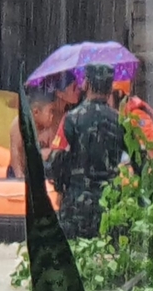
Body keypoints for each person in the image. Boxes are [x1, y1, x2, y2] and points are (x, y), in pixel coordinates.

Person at [46, 64, 127, 239]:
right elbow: (139, 160)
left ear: (86, 84)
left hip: (76, 205)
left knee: (74, 258)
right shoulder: (122, 121)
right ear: (111, 87)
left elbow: (55, 160)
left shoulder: (71, 119)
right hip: (110, 205)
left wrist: (60, 187)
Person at [7, 90, 56, 178]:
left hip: (36, 169)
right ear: (36, 112)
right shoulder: (19, 123)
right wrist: (19, 176)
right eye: (50, 111)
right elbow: (15, 153)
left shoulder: (48, 127)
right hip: (19, 170)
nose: (52, 115)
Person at [110, 80, 153, 145]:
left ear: (119, 93)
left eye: (109, 93)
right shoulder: (123, 114)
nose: (106, 97)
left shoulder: (137, 114)